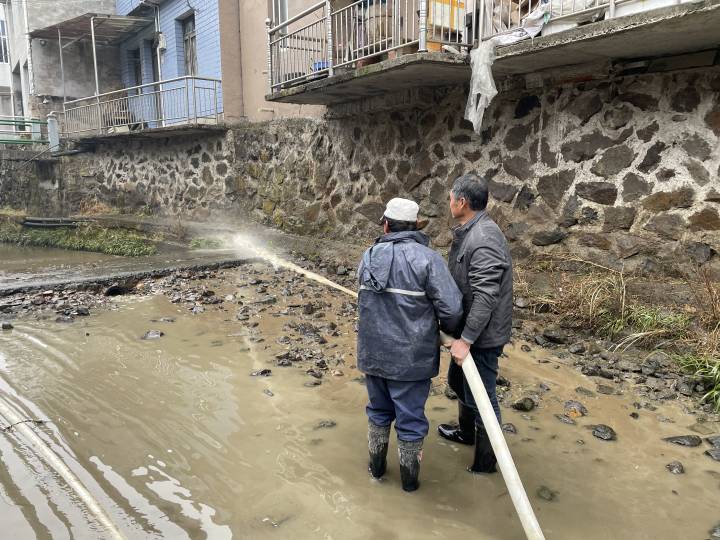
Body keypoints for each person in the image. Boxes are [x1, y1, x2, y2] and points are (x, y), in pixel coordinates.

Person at [357, 197, 463, 492]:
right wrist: (448, 333)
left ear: (387, 225)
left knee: (378, 412)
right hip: (411, 361)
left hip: (373, 355)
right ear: (416, 226)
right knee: (411, 420)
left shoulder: (367, 256)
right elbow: (452, 309)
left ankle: (376, 471)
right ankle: (409, 486)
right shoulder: (428, 260)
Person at [438, 173, 513, 474]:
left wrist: (466, 339)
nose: (449, 203)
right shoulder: (470, 230)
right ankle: (466, 433)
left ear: (462, 202)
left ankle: (485, 463)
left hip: (481, 336)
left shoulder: (483, 238)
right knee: (458, 382)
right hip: (469, 330)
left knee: (484, 398)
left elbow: (486, 296)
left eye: (450, 198)